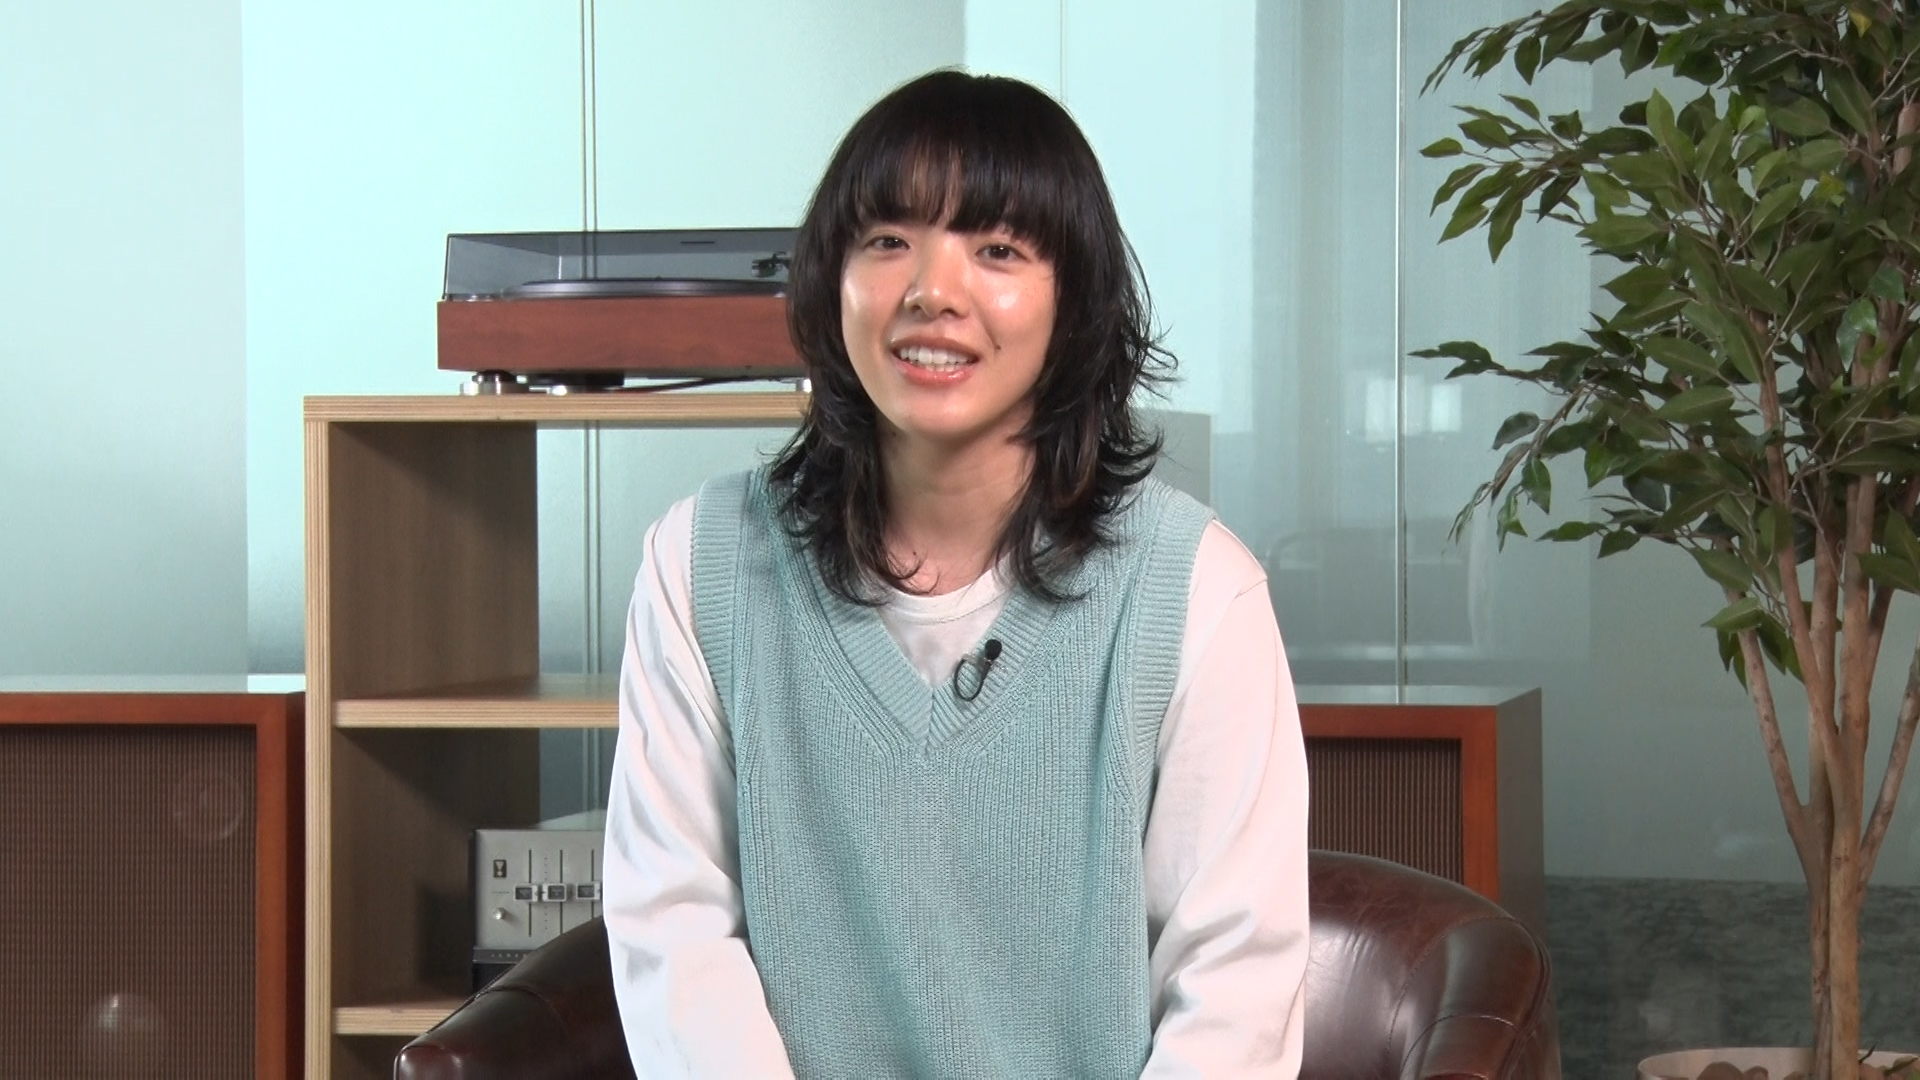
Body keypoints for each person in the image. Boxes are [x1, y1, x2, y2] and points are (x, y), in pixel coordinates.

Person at [602, 69, 1309, 1078]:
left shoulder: (1197, 593)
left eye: (998, 250)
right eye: (887, 240)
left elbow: (1234, 994)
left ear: (1074, 301)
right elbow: (671, 934)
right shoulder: (698, 563)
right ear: (830, 278)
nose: (932, 292)